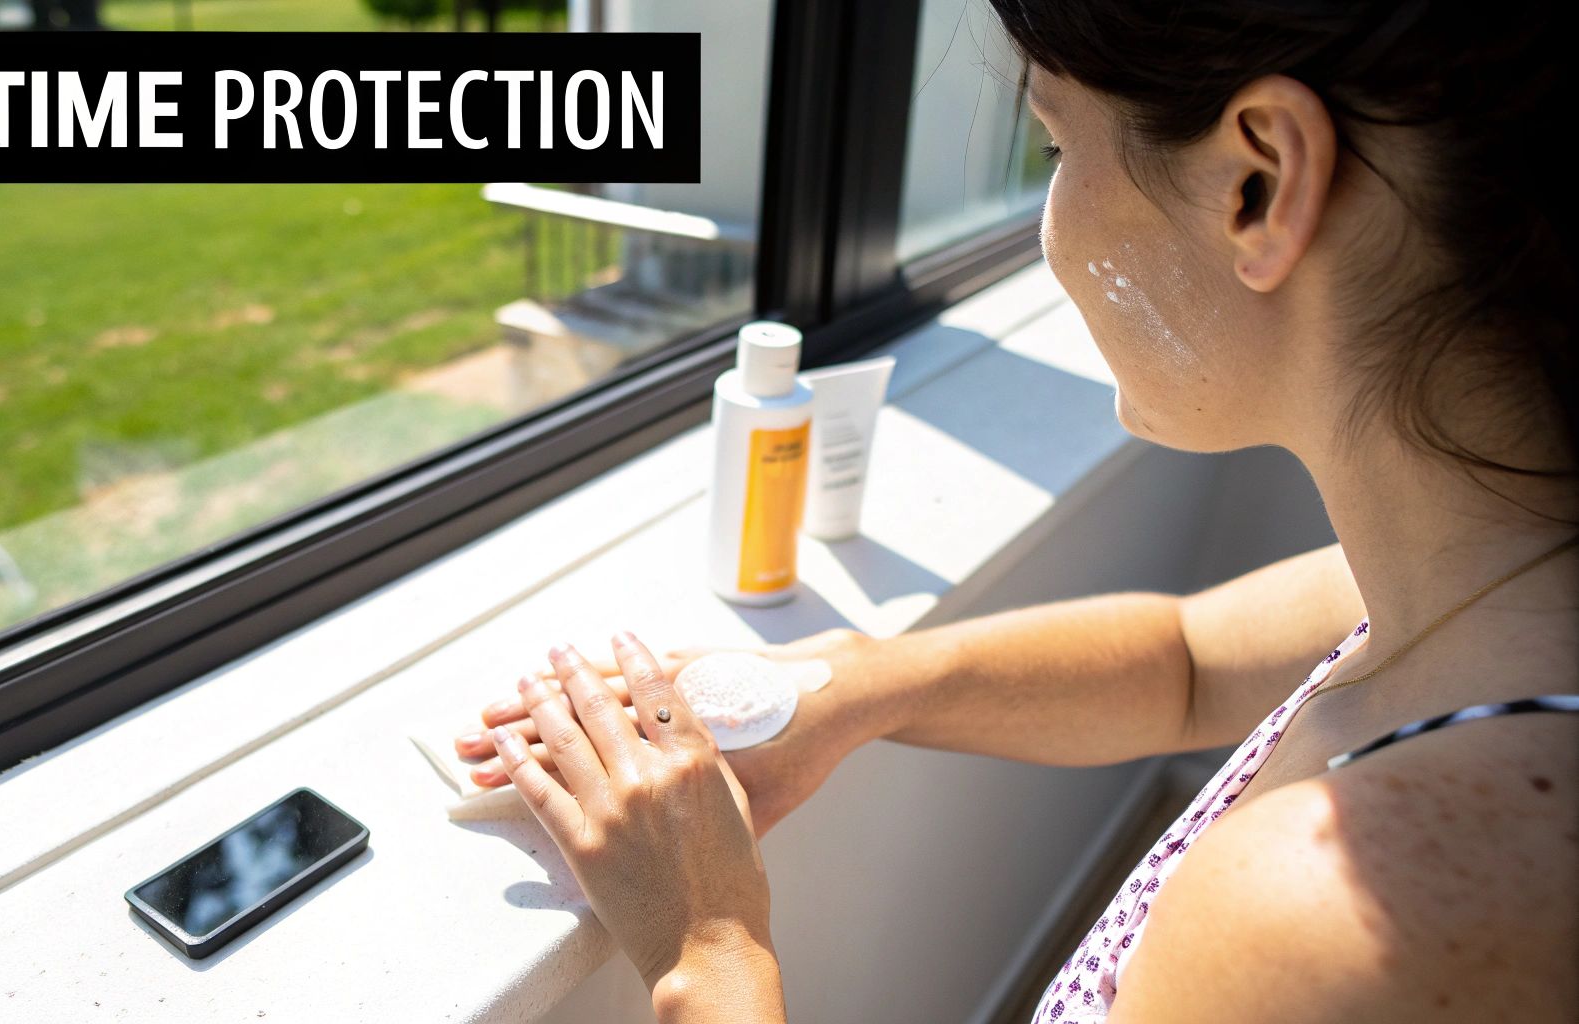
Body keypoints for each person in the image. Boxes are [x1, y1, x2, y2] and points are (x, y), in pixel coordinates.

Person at [451, 2, 1578, 1019]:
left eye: (1055, 144)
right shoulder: (1486, 576)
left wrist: (708, 944)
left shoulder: (1325, 920)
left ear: (1257, 184)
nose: (1049, 221)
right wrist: (849, 685)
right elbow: (1185, 662)